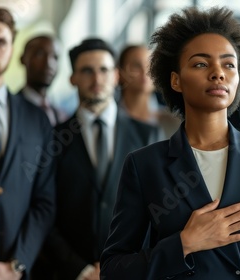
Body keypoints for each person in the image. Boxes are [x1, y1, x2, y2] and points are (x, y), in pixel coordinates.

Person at [101, 7, 240, 279]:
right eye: (200, 63)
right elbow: (113, 270)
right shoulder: (144, 164)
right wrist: (184, 243)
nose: (218, 73)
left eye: (229, 64)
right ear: (175, 80)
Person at [35, 39, 162, 280]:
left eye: (104, 70)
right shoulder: (53, 139)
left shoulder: (149, 135)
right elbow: (44, 211)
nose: (96, 79)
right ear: (72, 78)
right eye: (87, 71)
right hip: (69, 273)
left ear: (116, 75)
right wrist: (81, 270)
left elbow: (157, 212)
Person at [0, 6, 55, 280]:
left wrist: (16, 265)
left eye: (1, 41)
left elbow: (44, 202)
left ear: (11, 48)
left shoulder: (37, 120)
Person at [118, 44, 180, 138]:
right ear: (120, 73)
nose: (145, 71)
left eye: (150, 65)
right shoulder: (109, 119)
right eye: (136, 65)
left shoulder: (175, 121)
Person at [17, 35, 67, 126]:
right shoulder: (10, 109)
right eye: (39, 54)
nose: (49, 63)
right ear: (22, 59)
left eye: (55, 57)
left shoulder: (62, 116)